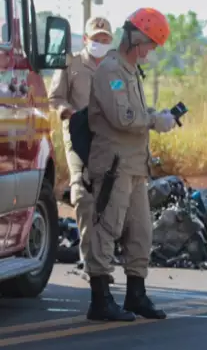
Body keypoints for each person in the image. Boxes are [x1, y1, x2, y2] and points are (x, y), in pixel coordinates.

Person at [85, 8, 177, 322]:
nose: (151, 51)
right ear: (136, 37)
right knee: (107, 228)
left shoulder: (130, 70)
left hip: (135, 165)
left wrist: (156, 114)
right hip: (114, 165)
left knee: (140, 232)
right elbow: (122, 117)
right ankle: (100, 299)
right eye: (150, 44)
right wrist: (154, 120)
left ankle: (135, 295)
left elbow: (134, 111)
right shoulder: (110, 71)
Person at [48, 16, 114, 280]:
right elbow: (55, 97)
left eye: (105, 39)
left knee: (108, 201)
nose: (100, 43)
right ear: (86, 39)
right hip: (78, 137)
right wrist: (67, 111)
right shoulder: (70, 63)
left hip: (107, 140)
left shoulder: (114, 68)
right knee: (84, 197)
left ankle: (102, 261)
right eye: (95, 38)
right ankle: (89, 262)